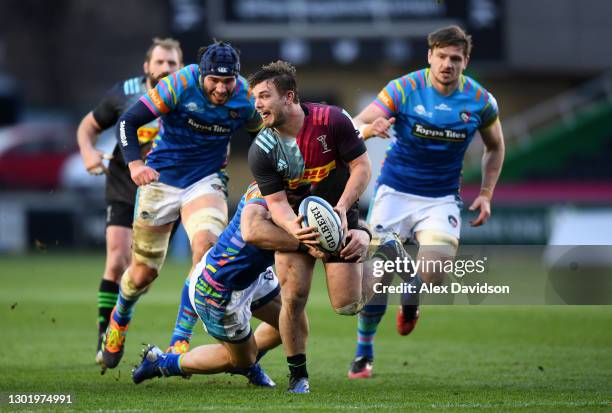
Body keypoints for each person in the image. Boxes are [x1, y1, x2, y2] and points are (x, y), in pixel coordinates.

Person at [347, 25, 505, 379]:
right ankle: (364, 352)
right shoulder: (403, 89)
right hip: (394, 193)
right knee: (374, 279)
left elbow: (496, 146)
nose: (448, 64)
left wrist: (486, 194)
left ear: (465, 62)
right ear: (430, 56)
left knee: (432, 273)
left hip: (441, 198)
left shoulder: (481, 101)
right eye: (442, 56)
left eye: (456, 58)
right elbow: (354, 127)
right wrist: (370, 130)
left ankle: (412, 297)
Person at [100, 41, 262, 370]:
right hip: (160, 178)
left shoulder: (246, 98)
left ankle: (179, 338)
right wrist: (134, 165)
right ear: (201, 74)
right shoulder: (179, 83)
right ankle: (120, 316)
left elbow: (265, 137)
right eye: (213, 81)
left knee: (205, 250)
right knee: (143, 273)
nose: (221, 88)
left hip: (206, 180)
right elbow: (126, 122)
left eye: (227, 80)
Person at [247, 61, 401, 393]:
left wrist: (344, 210)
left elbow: (361, 167)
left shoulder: (330, 120)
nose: (257, 104)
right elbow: (275, 204)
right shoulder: (261, 149)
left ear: (289, 97)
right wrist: (297, 232)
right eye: (254, 98)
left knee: (347, 305)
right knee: (293, 296)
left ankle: (384, 251)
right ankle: (298, 375)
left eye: (264, 96)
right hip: (296, 222)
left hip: (339, 213)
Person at [131, 182, 324, 387]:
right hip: (219, 288)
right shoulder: (266, 193)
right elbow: (253, 232)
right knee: (243, 358)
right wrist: (306, 244)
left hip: (252, 276)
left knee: (289, 323)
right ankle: (162, 363)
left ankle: (245, 360)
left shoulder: (279, 183)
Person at [76, 37, 183, 366]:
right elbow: (87, 126)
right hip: (124, 183)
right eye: (160, 62)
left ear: (181, 68)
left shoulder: (189, 95)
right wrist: (88, 153)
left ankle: (125, 309)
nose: (166, 68)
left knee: (144, 273)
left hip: (166, 190)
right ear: (146, 67)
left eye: (172, 63)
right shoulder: (124, 93)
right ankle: (105, 335)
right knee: (117, 258)